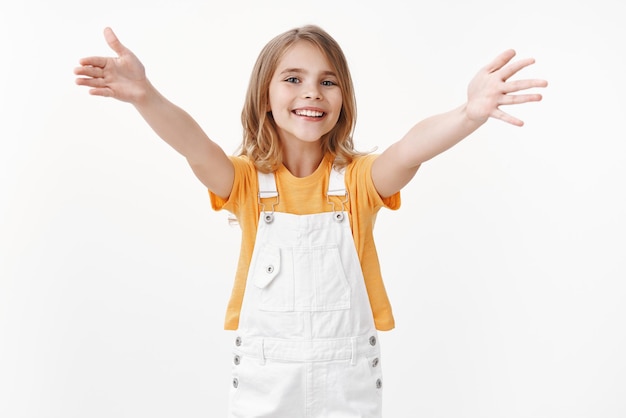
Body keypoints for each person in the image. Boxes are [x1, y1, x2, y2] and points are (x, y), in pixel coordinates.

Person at [74, 24, 547, 417]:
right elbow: (195, 146)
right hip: (267, 382)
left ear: (343, 98)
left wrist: (468, 113)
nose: (311, 93)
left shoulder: (360, 181)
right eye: (293, 79)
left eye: (328, 81)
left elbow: (410, 148)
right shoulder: (244, 184)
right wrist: (145, 96)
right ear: (264, 96)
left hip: (347, 385)